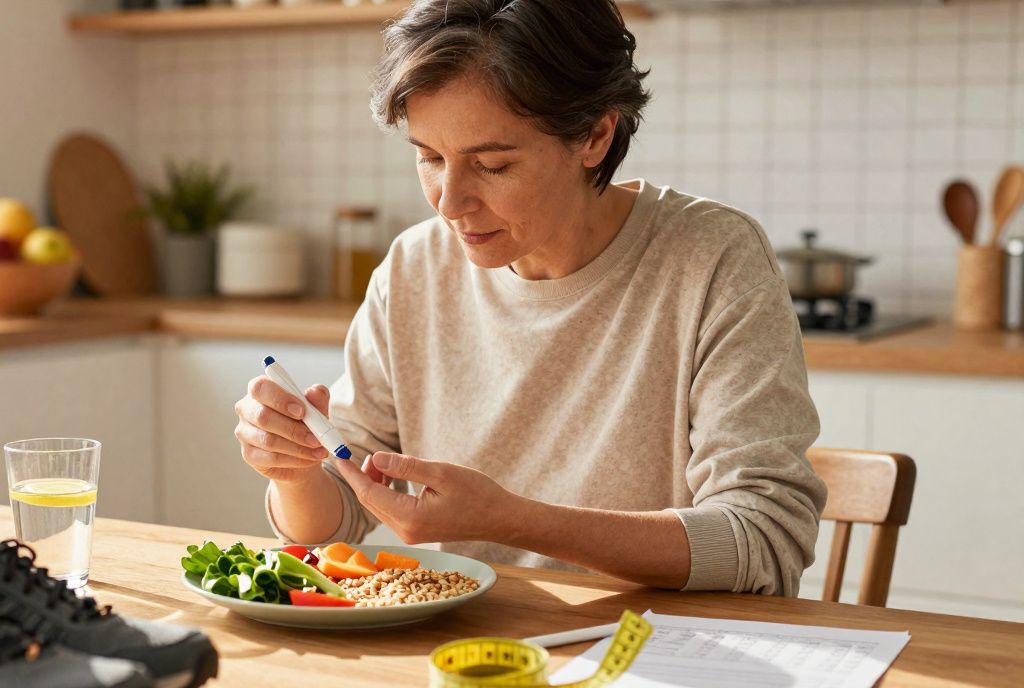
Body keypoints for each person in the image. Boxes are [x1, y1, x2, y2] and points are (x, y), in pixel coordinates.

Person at [232, 0, 826, 596]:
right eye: (430, 157)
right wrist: (294, 470)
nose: (449, 202)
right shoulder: (414, 268)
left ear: (596, 134)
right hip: (475, 653)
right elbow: (339, 514)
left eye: (492, 164)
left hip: (667, 655)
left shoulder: (713, 257)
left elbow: (762, 538)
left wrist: (512, 520)